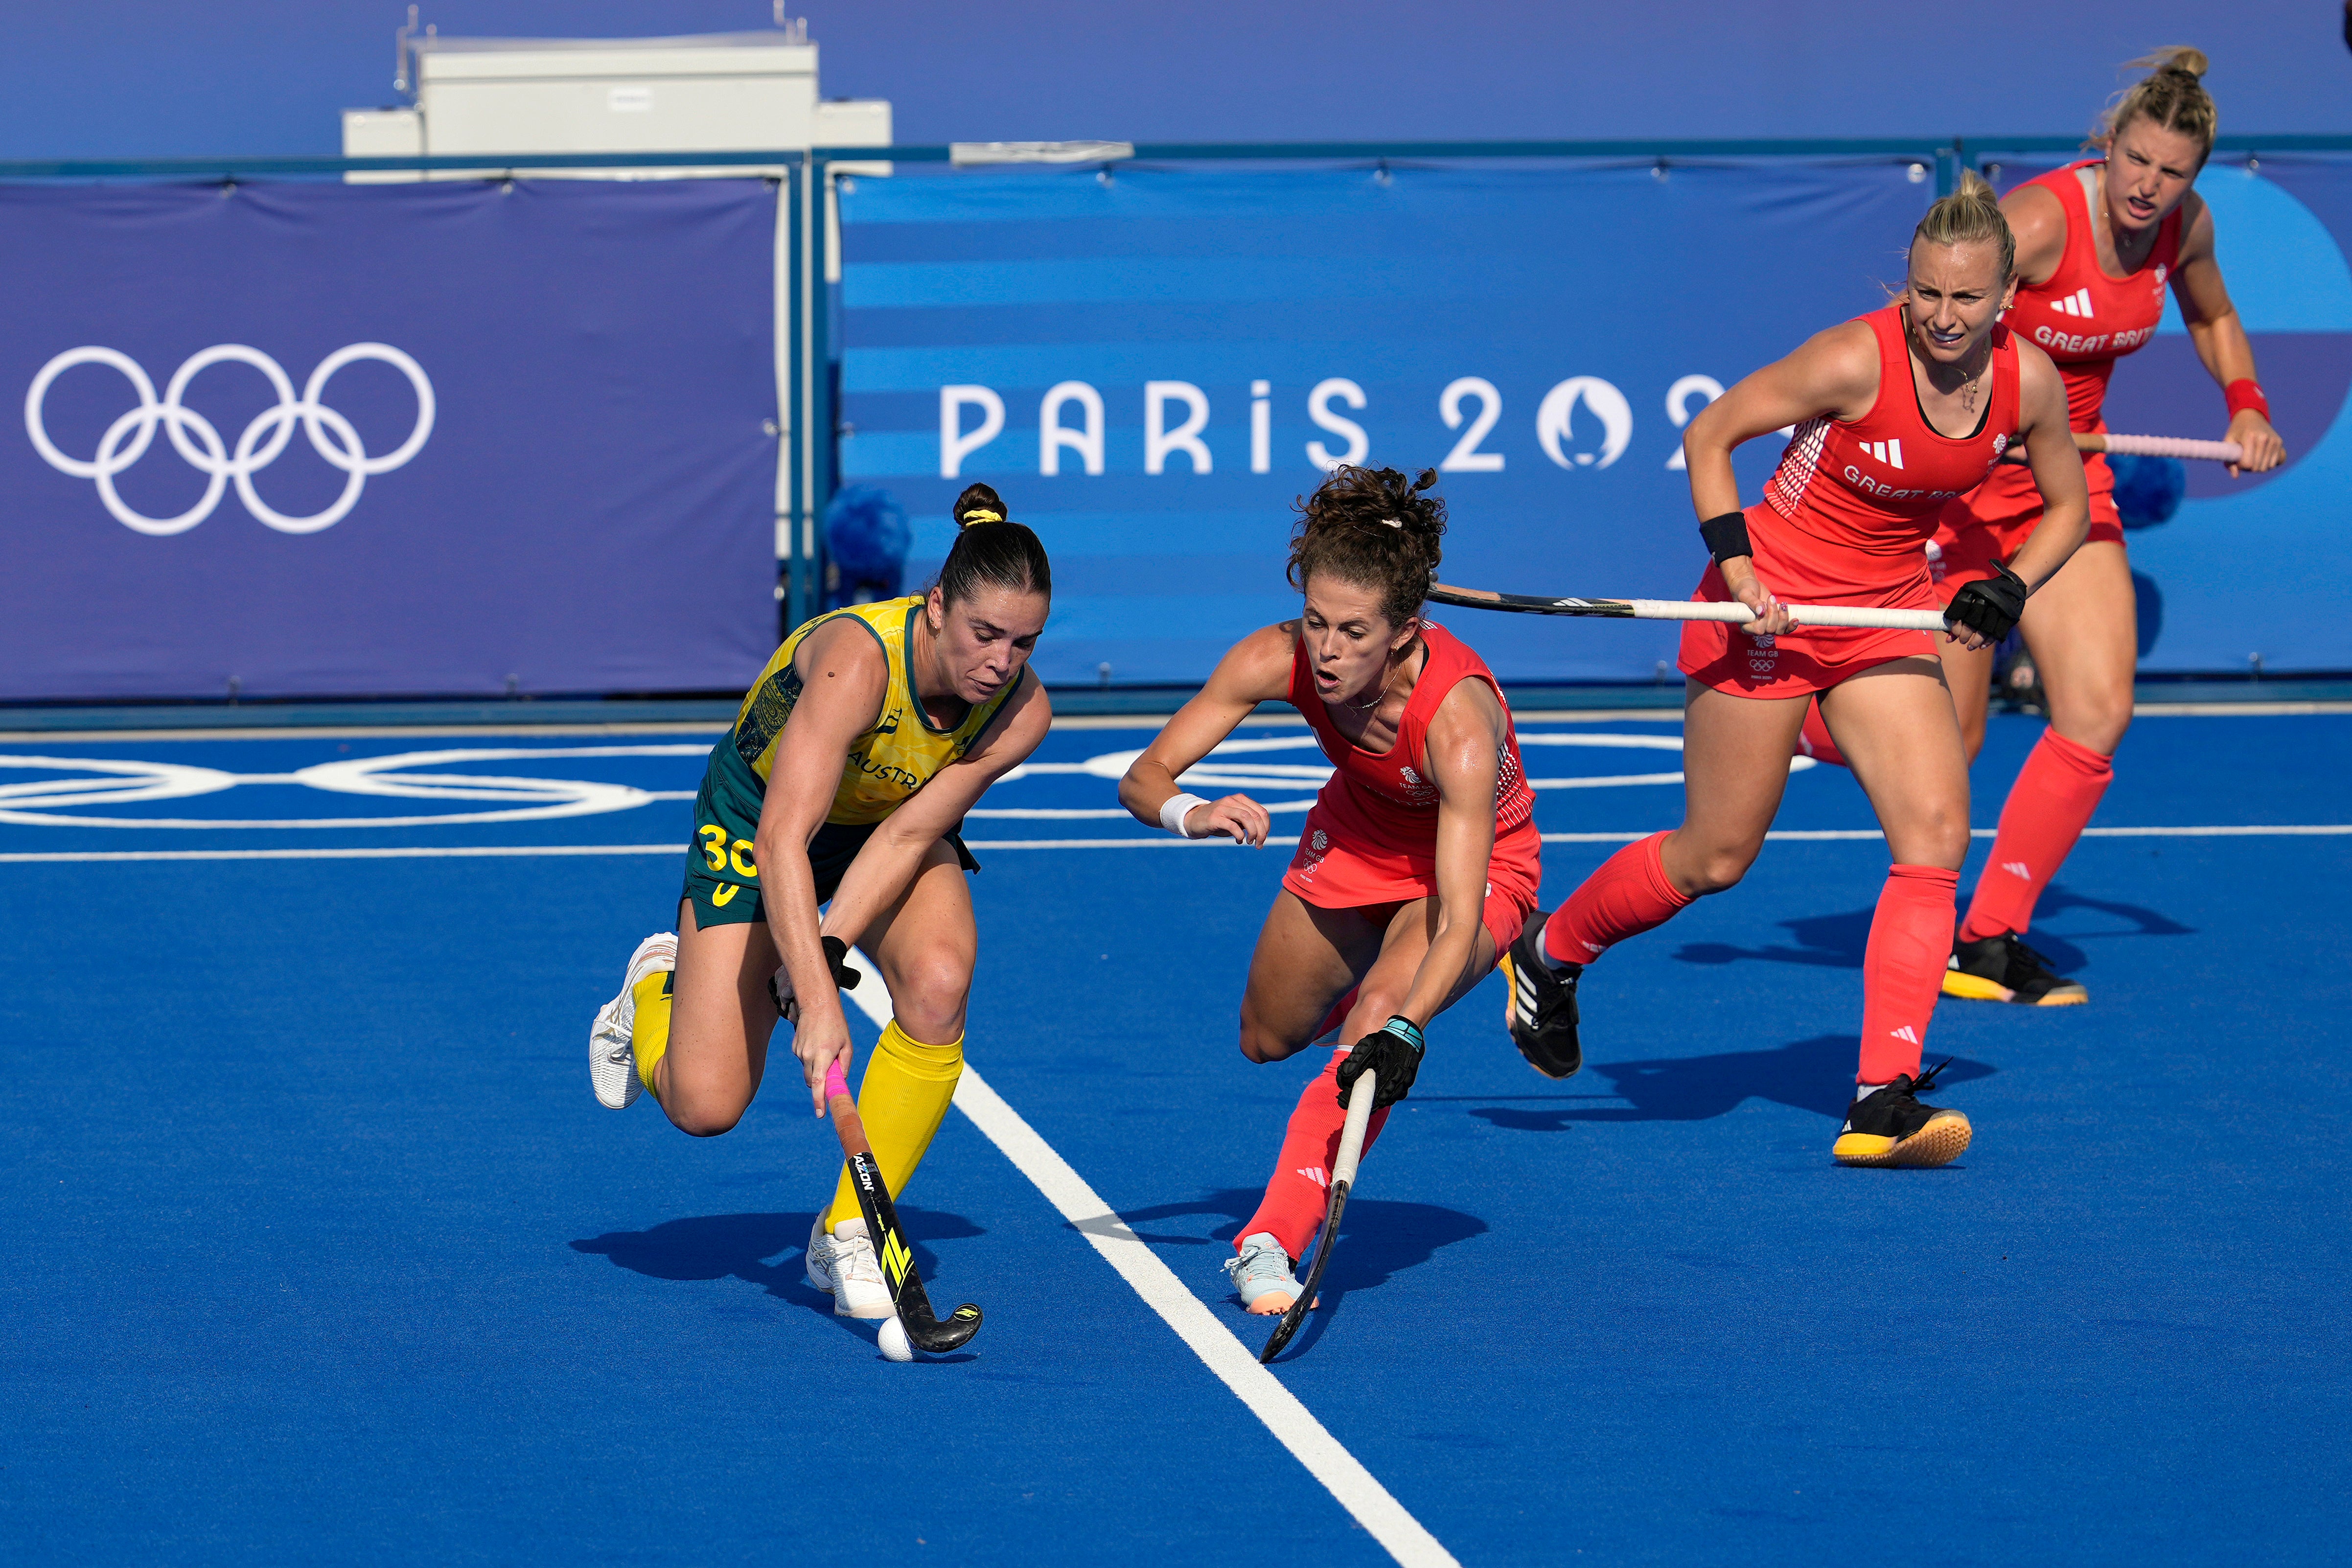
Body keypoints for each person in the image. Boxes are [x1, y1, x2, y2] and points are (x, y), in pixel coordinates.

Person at [1502, 174, 2089, 1169]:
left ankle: (1879, 1097)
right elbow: (1711, 435)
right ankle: (1551, 953)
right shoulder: (1856, 358)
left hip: (1882, 615)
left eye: (1966, 299)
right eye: (1928, 294)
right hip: (1768, 604)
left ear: (2006, 301)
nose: (1944, 317)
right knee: (1717, 858)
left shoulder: (2029, 382)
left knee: (1937, 835)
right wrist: (1738, 571)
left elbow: (2066, 509)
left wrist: (2012, 583)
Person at [587, 484, 1052, 1318]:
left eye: (1023, 643)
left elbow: (909, 837)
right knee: (706, 1105)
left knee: (940, 979)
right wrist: (814, 1000)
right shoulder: (857, 663)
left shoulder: (1019, 715)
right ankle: (655, 990)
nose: (1000, 662)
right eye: (985, 634)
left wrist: (824, 956)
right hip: (761, 816)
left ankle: (848, 1234)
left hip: (879, 823)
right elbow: (781, 842)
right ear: (936, 605)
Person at [1118, 465, 1542, 1313]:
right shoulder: (1273, 657)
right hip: (1355, 836)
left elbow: (1458, 914)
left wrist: (1405, 1030)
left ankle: (1268, 1240)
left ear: (1405, 632)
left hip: (1473, 874)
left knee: (1374, 1026)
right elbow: (1143, 775)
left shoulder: (1457, 721)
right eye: (1316, 622)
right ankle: (1349, 1039)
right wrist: (1191, 812)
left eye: (1353, 631)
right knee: (1266, 1038)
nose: (1328, 650)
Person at [1926, 48, 2283, 1005]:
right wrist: (1966, 417)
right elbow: (1934, 312)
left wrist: (2245, 403)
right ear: (2109, 144)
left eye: (2171, 174)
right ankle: (1803, 717)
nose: (2148, 187)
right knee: (1945, 748)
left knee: (2096, 714)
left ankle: (1989, 937)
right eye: (2136, 162)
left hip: (2068, 490)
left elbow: (2213, 318)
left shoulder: (2183, 228)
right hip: (1966, 486)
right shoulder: (2039, 222)